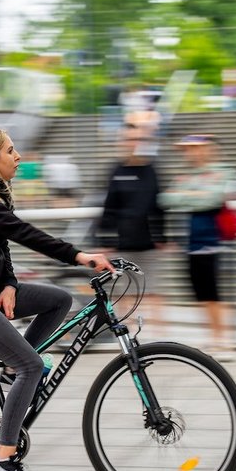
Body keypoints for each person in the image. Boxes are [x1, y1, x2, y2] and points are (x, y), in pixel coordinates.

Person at [0, 126, 112, 471]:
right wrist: (80, 256)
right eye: (11, 151)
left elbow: (1, 246)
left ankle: (9, 368)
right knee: (32, 366)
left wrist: (10, 284)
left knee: (59, 300)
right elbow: (24, 233)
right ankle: (3, 460)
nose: (18, 157)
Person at [159, 134, 236, 361]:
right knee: (202, 293)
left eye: (193, 148)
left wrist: (187, 196)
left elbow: (213, 199)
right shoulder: (185, 175)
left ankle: (225, 340)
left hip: (212, 241)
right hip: (190, 242)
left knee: (215, 293)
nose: (188, 153)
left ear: (206, 149)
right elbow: (165, 199)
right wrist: (195, 195)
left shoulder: (223, 171)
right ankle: (213, 338)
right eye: (186, 149)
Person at [98, 123, 168, 332]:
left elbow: (159, 205)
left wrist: (162, 236)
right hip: (122, 241)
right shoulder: (116, 170)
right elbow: (109, 207)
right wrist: (106, 241)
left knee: (153, 289)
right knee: (124, 290)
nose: (133, 144)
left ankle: (160, 335)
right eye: (128, 139)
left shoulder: (152, 170)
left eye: (138, 139)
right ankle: (124, 334)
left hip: (148, 242)